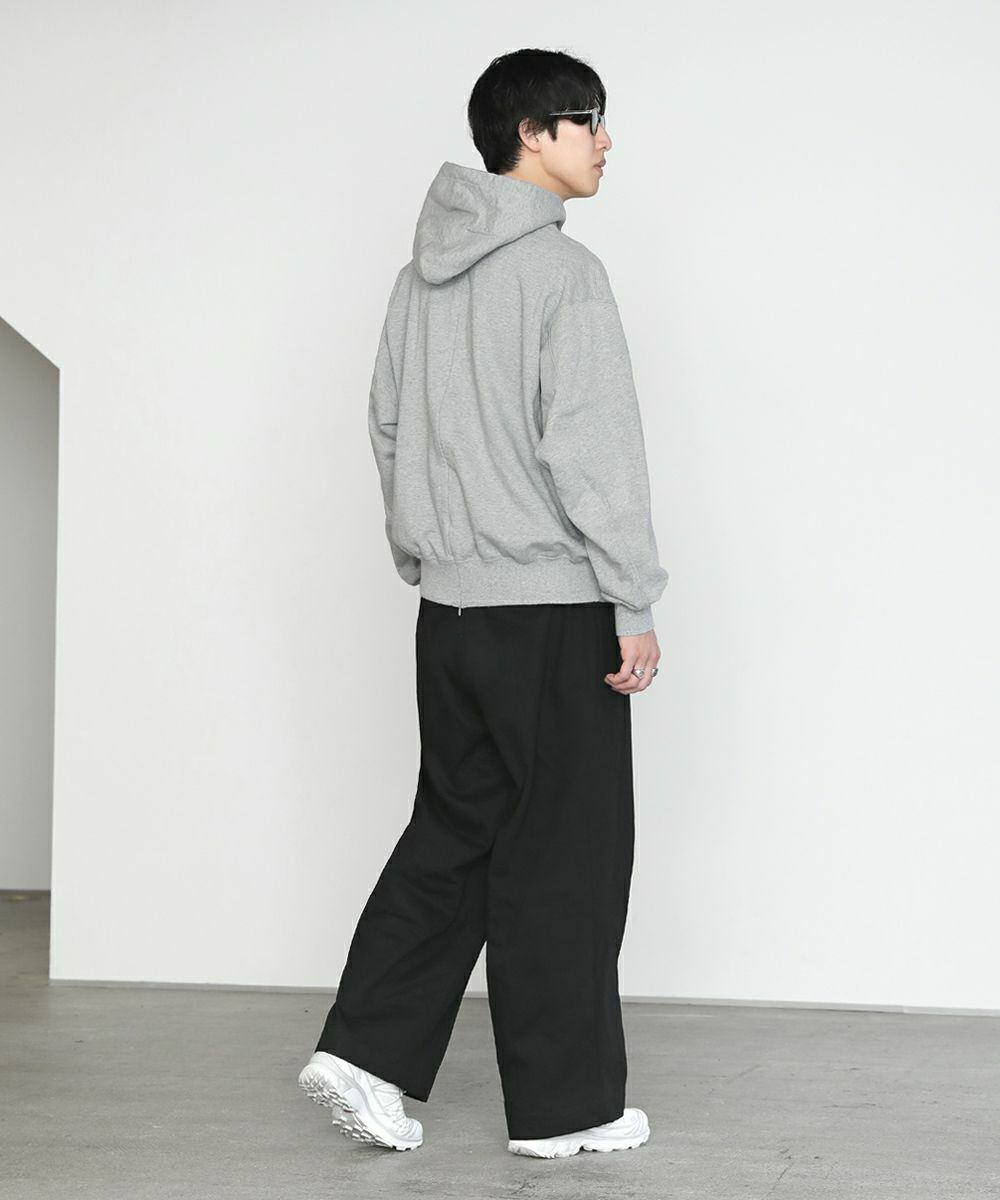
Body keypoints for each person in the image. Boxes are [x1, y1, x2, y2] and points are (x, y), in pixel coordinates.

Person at [298, 46, 668, 1158]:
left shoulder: (418, 280)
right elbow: (593, 451)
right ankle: (566, 1112)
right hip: (551, 612)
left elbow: (387, 424)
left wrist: (425, 553)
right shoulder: (563, 274)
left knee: (455, 834)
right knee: (567, 855)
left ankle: (362, 1053)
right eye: (586, 119)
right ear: (531, 135)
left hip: (452, 617)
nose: (605, 140)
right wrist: (631, 599)